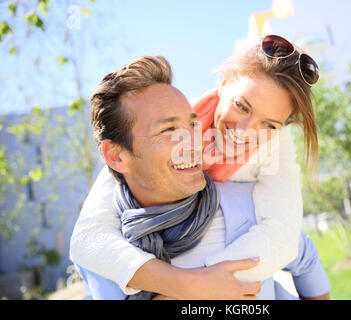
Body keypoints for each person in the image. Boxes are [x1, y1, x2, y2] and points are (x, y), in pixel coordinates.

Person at [70, 35, 327, 299]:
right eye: (241, 106)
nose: (245, 131)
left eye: (269, 124)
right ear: (224, 84)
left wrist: (206, 284)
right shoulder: (169, 119)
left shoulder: (276, 145)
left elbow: (284, 236)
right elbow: (88, 239)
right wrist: (185, 285)